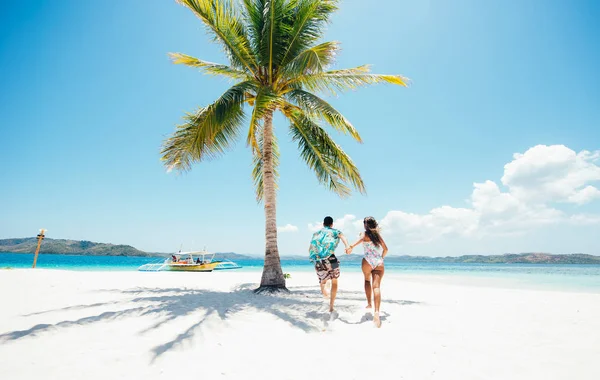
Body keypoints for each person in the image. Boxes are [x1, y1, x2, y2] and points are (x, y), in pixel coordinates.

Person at [346, 216, 388, 328]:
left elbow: (355, 243)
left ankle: (369, 303)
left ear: (365, 225)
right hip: (378, 261)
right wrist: (381, 258)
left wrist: (349, 248)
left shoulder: (364, 234)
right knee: (376, 287)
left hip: (367, 261)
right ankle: (377, 312)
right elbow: (386, 249)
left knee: (366, 280)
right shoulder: (377, 235)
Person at [309, 216, 351, 313]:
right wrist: (347, 246)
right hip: (332, 259)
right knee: (334, 280)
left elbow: (311, 247)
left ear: (323, 224)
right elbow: (342, 237)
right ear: (332, 224)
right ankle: (331, 306)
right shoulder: (335, 231)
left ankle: (325, 295)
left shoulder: (316, 234)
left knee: (322, 281)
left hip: (319, 261)